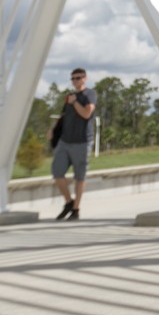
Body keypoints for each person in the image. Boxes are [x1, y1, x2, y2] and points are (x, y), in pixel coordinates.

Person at [52, 67, 96, 221]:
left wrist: (75, 102)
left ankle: (76, 209)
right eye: (73, 78)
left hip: (82, 142)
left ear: (85, 78)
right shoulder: (69, 97)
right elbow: (64, 116)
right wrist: (53, 129)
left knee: (79, 177)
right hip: (64, 141)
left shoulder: (89, 94)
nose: (75, 81)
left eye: (78, 78)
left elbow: (86, 114)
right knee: (57, 172)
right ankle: (69, 202)